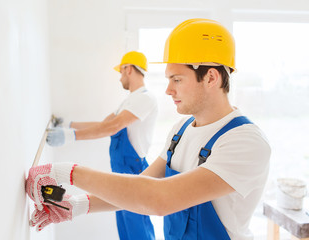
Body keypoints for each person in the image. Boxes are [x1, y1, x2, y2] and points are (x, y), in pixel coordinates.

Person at [26, 18, 271, 239]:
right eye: (168, 80)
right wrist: (76, 206)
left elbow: (160, 198)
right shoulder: (181, 129)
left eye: (177, 79)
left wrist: (68, 172)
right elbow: (140, 186)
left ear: (210, 78)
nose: (168, 90)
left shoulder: (244, 141)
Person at [43, 51, 158, 240]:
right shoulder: (129, 101)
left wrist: (70, 137)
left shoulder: (145, 98)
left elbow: (113, 127)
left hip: (134, 169)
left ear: (128, 69)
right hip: (121, 170)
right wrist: (68, 126)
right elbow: (103, 125)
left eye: (121, 72)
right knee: (125, 226)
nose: (120, 78)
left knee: (137, 226)